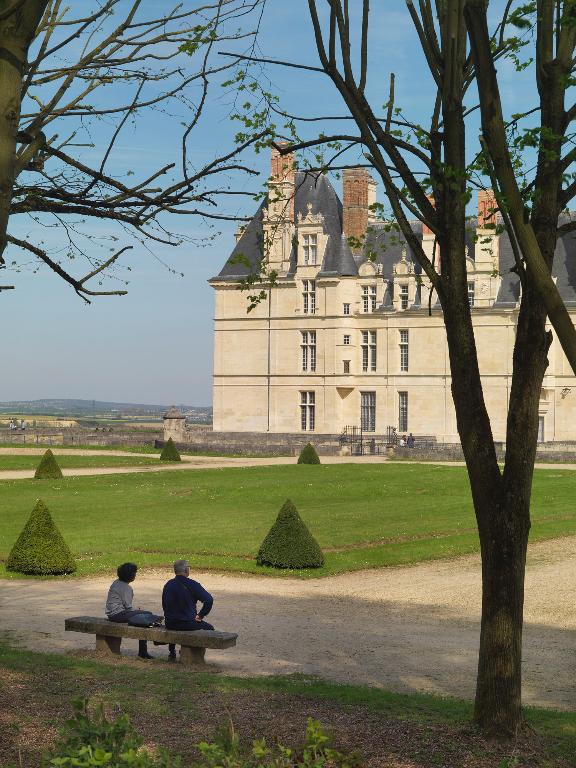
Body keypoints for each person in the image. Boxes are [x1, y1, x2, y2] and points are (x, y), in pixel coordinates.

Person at [105, 562, 160, 659]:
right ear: (130, 575)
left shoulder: (116, 582)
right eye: (135, 573)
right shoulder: (126, 588)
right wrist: (138, 611)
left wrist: (136, 611)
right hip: (118, 614)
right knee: (147, 615)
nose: (135, 575)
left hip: (113, 614)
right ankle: (144, 651)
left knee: (143, 616)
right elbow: (128, 607)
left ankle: (145, 650)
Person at [162, 559, 214, 661]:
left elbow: (165, 605)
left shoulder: (168, 584)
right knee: (210, 628)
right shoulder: (192, 584)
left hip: (170, 623)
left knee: (176, 618)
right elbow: (209, 600)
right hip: (187, 623)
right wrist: (201, 615)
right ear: (186, 570)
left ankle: (172, 652)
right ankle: (194, 652)